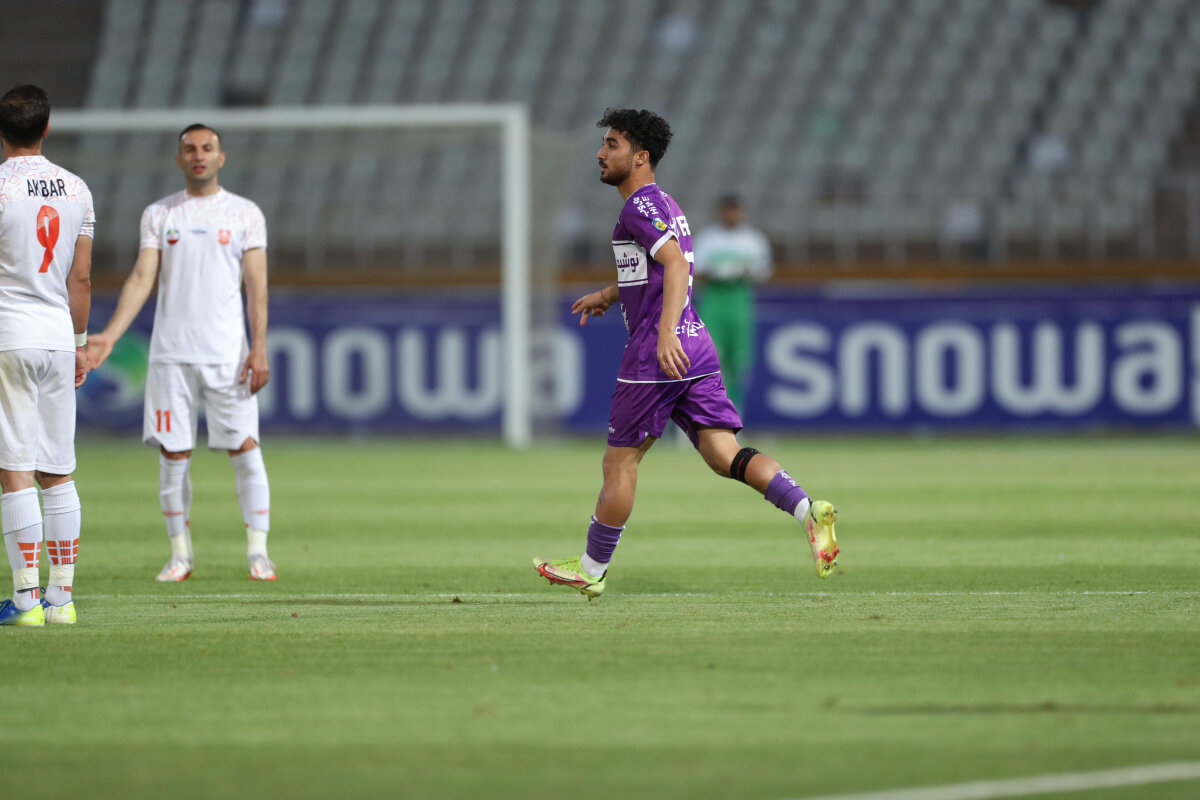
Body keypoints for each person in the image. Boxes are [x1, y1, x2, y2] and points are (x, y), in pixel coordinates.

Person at [533, 109, 838, 600]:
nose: (600, 153)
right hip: (697, 347)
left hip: (658, 354)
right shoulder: (666, 205)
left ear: (640, 156)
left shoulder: (637, 208)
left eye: (611, 144)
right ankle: (808, 510)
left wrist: (664, 333)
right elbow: (656, 270)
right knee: (723, 453)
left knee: (620, 463)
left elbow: (674, 266)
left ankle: (591, 568)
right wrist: (610, 294)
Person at [88, 124, 275, 582]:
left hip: (227, 354)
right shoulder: (159, 213)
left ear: (221, 157)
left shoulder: (245, 213)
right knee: (174, 455)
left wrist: (259, 348)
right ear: (179, 160)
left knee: (245, 447)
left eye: (207, 148)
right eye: (190, 149)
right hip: (171, 355)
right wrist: (110, 335)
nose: (199, 155)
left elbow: (257, 288)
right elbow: (141, 278)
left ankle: (258, 552)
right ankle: (180, 556)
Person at [0, 85, 93, 626]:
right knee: (57, 469)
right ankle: (63, 599)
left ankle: (25, 600)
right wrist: (80, 345)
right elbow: (80, 278)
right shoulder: (76, 188)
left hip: (9, 334)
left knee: (14, 469)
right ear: (47, 127)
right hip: (58, 336)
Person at [691, 194, 772, 411]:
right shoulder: (708, 239)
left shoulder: (753, 240)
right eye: (729, 211)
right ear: (722, 212)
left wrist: (744, 271)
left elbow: (764, 272)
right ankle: (706, 410)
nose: (733, 215)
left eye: (736, 211)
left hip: (740, 308)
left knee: (740, 362)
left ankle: (735, 411)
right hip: (713, 307)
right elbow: (695, 272)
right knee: (710, 360)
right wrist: (717, 273)